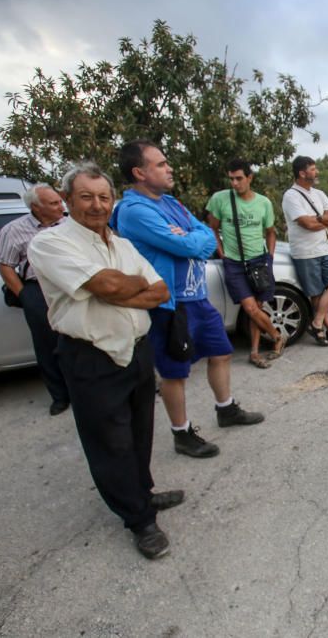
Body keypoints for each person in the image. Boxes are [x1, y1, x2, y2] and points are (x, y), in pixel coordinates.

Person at [28, 162, 182, 560]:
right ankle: (139, 520)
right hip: (91, 355)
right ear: (66, 200)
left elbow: (160, 290)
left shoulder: (123, 244)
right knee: (109, 442)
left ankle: (142, 493)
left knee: (140, 431)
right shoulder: (51, 243)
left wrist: (111, 289)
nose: (97, 205)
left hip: (136, 347)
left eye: (103, 197)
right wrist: (116, 286)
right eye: (86, 197)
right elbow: (106, 283)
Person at [112, 140, 264, 459]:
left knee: (221, 352)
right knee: (175, 372)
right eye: (161, 164)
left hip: (196, 296)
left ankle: (226, 409)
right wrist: (189, 240)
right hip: (169, 304)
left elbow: (206, 238)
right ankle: (183, 434)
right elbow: (188, 246)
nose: (169, 168)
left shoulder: (170, 203)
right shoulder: (133, 210)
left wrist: (190, 238)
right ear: (139, 172)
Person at [0, 183, 71, 415]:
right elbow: (6, 266)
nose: (61, 206)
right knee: (47, 344)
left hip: (69, 286)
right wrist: (25, 296)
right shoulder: (13, 230)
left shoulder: (69, 224)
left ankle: (83, 388)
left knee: (77, 338)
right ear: (36, 207)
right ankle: (60, 396)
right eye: (54, 203)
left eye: (60, 201)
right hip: (37, 289)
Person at [205, 158, 284, 369]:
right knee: (250, 307)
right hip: (234, 263)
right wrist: (222, 254)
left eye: (239, 178)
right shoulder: (220, 199)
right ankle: (277, 336)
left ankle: (255, 352)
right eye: (231, 179)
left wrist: (270, 257)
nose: (234, 183)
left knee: (256, 308)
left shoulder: (263, 203)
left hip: (258, 260)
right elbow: (212, 227)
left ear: (250, 178)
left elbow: (270, 233)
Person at [282, 156, 328, 346]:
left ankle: (316, 323)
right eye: (313, 169)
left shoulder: (319, 194)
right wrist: (321, 220)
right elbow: (306, 223)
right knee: (316, 294)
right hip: (305, 252)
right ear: (302, 173)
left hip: (324, 249)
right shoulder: (290, 196)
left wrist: (318, 220)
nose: (317, 172)